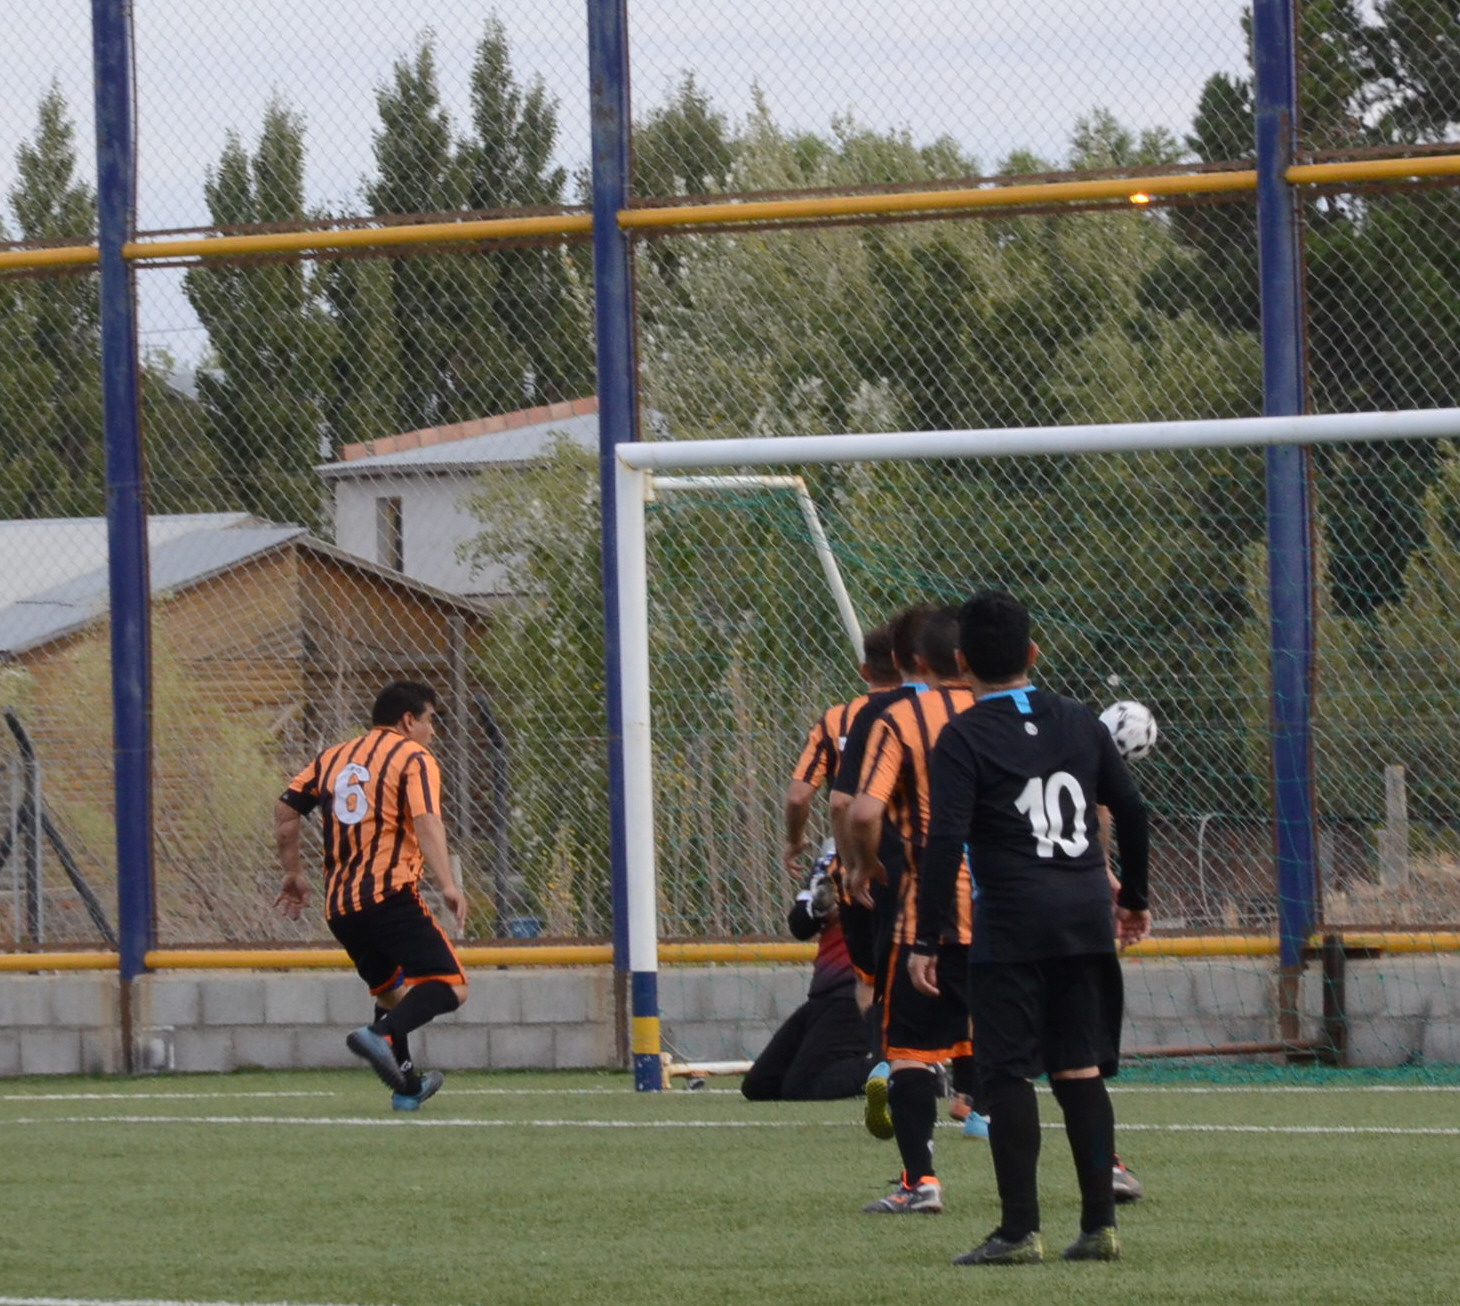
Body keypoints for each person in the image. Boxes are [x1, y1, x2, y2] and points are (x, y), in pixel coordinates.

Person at [912, 590, 1150, 1265]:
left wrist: (928, 938)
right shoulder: (1080, 720)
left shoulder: (961, 736)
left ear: (961, 664)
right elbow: (1130, 811)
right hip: (1082, 916)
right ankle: (1099, 1225)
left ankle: (1019, 1231)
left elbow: (945, 839)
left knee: (1008, 1070)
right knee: (1078, 1068)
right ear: (1034, 653)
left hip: (1013, 920)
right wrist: (1132, 897)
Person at [274, 680, 469, 1110]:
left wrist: (293, 873)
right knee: (450, 985)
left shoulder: (331, 758)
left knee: (391, 994)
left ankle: (407, 1089)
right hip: (390, 895)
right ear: (408, 720)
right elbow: (425, 820)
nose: (432, 731)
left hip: (341, 907)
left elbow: (286, 810)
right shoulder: (414, 757)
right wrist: (448, 885)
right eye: (430, 721)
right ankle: (378, 1036)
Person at [845, 606, 979, 1214]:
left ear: (914, 663)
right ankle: (1104, 1166)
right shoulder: (1003, 712)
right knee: (1044, 1050)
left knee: (908, 1053)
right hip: (1010, 912)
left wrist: (861, 863)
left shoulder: (898, 716)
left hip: (930, 913)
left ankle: (920, 1182)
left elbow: (861, 809)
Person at [741, 844, 871, 1102]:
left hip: (859, 989)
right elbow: (800, 925)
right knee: (760, 1084)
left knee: (804, 1085)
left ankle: (908, 1071)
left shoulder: (889, 838)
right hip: (824, 993)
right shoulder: (833, 851)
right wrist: (819, 907)